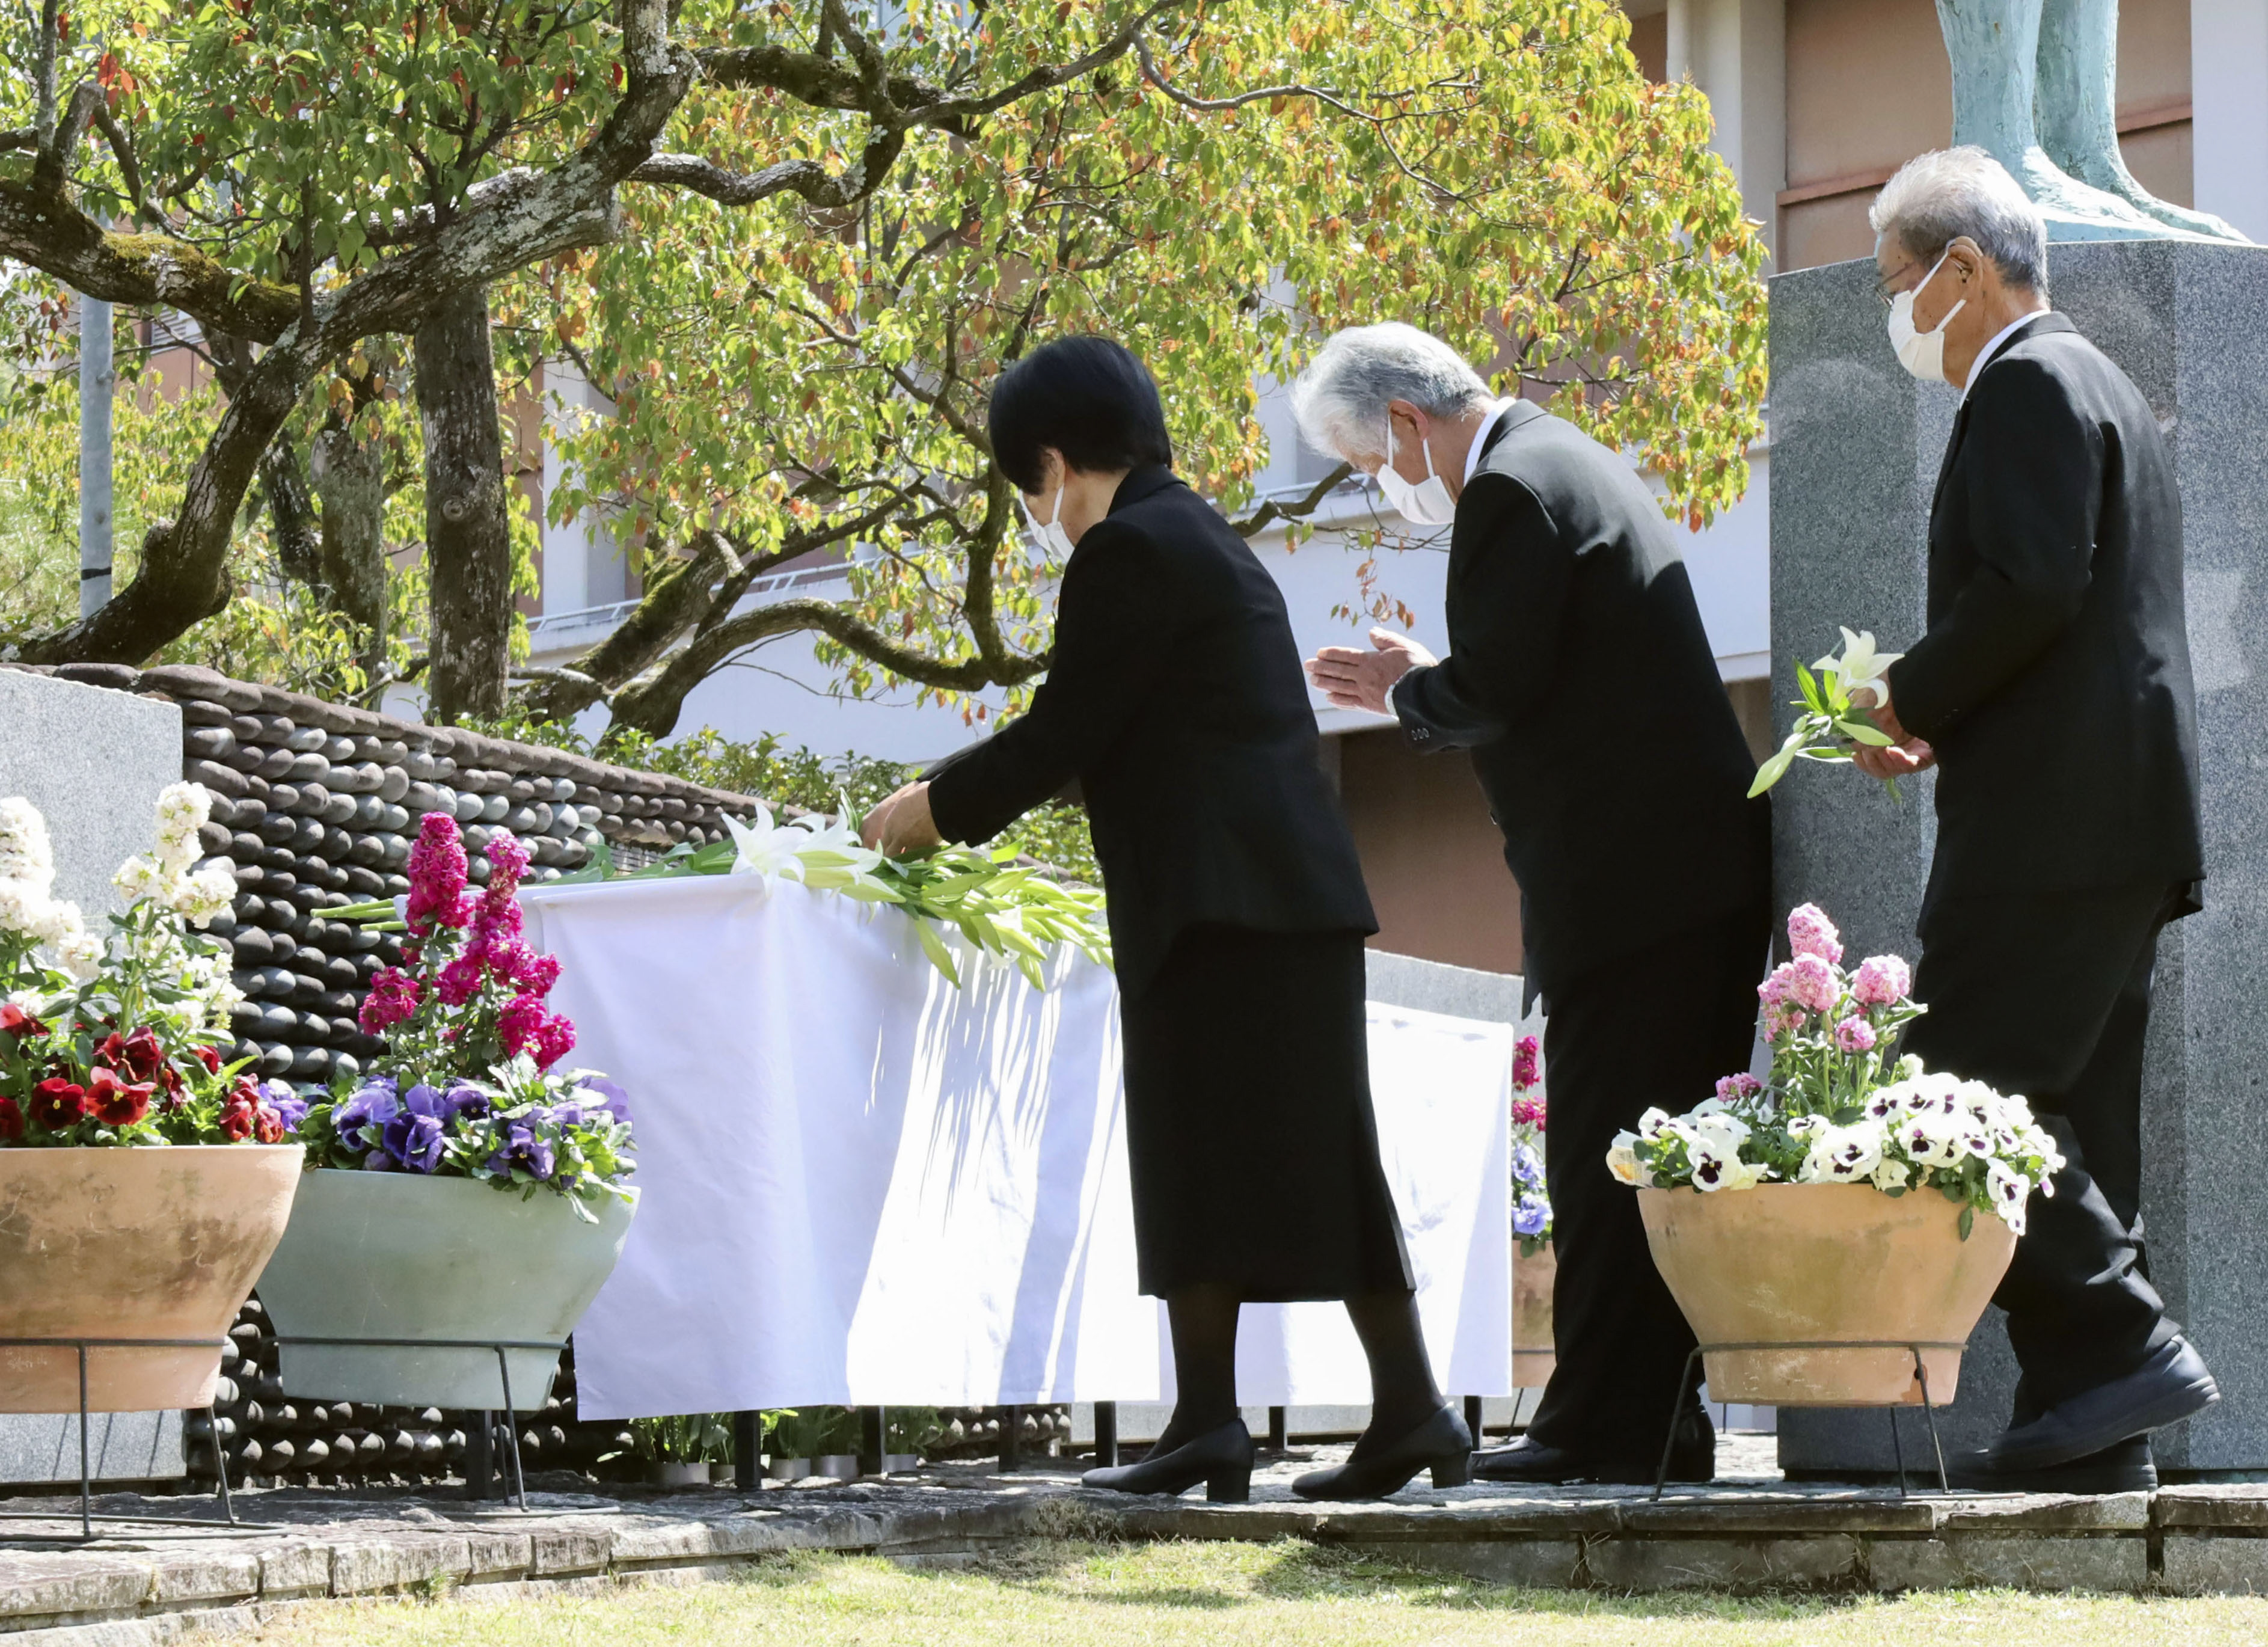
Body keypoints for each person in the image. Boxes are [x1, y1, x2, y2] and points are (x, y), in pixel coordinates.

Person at [860, 335, 1471, 1502]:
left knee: (1203, 1152)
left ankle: (1223, 1420)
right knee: (1311, 1155)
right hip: (1277, 897)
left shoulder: (1126, 551)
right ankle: (1394, 1408)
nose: (1039, 512)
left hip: (1218, 903)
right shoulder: (1198, 535)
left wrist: (928, 808)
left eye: (1026, 487)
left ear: (1049, 462)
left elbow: (1063, 732)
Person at [1293, 323, 1770, 1485]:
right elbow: (1545, 674)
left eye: (1370, 463)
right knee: (1647, 1155)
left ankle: (1603, 1424)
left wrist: (1415, 691)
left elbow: (1501, 685)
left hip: (1634, 890)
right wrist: (1435, 684)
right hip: (1676, 880)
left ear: (1408, 421)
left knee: (1608, 1156)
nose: (1382, 488)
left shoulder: (1508, 487)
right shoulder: (1566, 459)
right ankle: (1656, 1418)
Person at [1856, 147, 2215, 1493]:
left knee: (1957, 1082)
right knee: (2066, 1106)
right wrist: (1934, 711)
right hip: (2114, 817)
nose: (1894, 311)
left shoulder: (2022, 381)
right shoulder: (2099, 380)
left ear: (1961, 267)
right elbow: (2058, 604)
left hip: (2052, 824)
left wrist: (1901, 694)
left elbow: (2021, 590)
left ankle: (2124, 1340)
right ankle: (2087, 1409)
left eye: (1898, 280)